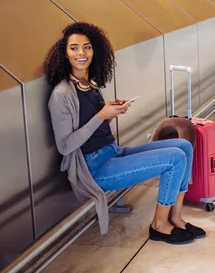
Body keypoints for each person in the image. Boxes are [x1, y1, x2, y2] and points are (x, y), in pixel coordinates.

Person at [44, 22, 205, 245]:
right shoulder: (61, 95)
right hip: (94, 169)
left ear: (94, 51)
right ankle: (159, 225)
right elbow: (65, 146)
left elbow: (94, 126)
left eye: (87, 47)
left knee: (183, 146)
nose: (81, 53)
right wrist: (101, 115)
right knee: (175, 158)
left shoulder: (89, 85)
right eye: (74, 48)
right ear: (64, 53)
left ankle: (175, 217)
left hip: (113, 152)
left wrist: (110, 111)